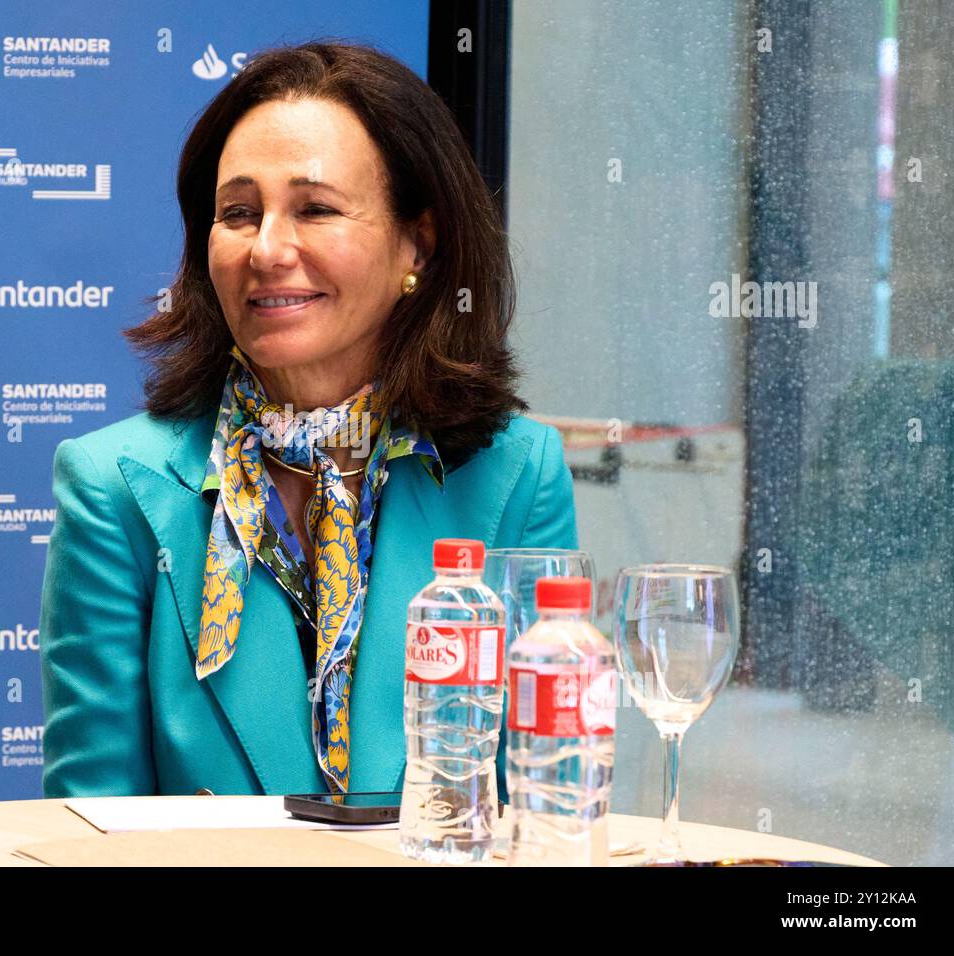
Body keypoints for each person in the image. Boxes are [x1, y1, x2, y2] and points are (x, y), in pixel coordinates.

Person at [39, 41, 577, 800]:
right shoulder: (114, 486)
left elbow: (549, 805)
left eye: (316, 209)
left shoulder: (518, 474)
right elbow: (89, 828)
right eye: (238, 213)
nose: (266, 249)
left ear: (416, 244)